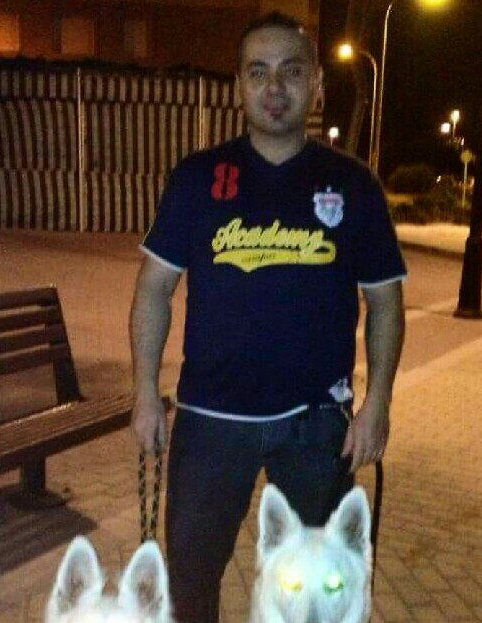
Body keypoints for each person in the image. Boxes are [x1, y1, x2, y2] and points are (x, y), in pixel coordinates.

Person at [129, 11, 406, 623]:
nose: (274, 87)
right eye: (258, 72)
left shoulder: (353, 185)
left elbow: (386, 301)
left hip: (315, 424)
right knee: (190, 581)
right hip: (210, 418)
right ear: (239, 85)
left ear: (316, 85)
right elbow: (153, 290)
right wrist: (145, 393)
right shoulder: (198, 179)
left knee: (313, 589)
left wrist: (378, 402)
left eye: (291, 71)